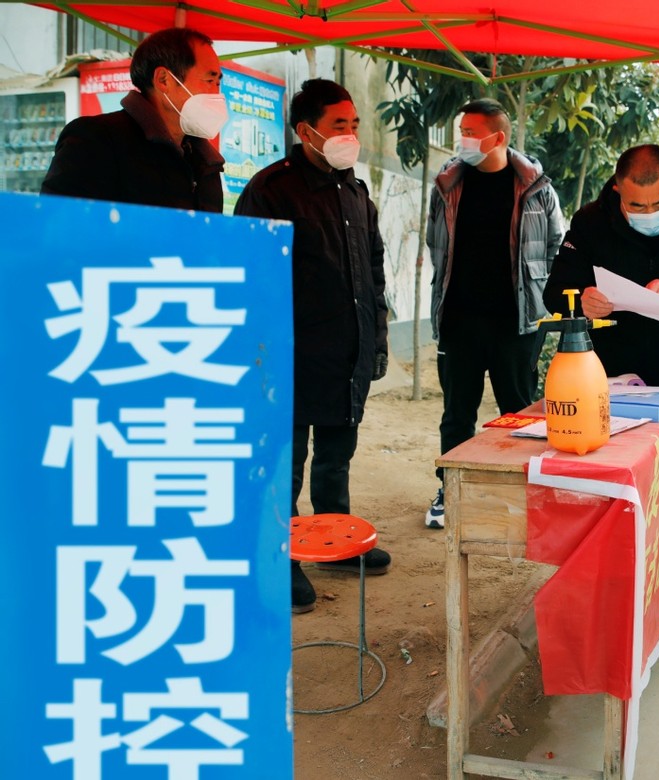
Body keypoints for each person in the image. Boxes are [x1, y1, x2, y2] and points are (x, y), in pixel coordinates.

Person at [234, 79, 391, 614]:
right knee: (287, 463)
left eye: (354, 124)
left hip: (348, 350)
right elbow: (248, 275)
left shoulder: (356, 191)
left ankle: (334, 542)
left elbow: (373, 269)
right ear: (306, 132)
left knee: (336, 458)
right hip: (292, 355)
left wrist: (378, 338)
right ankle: (281, 560)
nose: (350, 135)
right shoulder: (271, 189)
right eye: (338, 126)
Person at [424, 98, 565, 530]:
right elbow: (436, 245)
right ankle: (452, 490)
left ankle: (522, 492)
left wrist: (539, 298)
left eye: (470, 130)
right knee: (457, 415)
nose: (462, 138)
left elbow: (556, 245)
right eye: (461, 129)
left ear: (497, 137)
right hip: (459, 322)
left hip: (517, 323)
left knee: (519, 413)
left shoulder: (537, 188)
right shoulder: (447, 184)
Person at [542, 144, 659, 389]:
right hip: (605, 373)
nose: (651, 213)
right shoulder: (590, 223)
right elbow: (554, 292)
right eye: (637, 206)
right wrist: (582, 302)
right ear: (617, 190)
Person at [42, 26, 225, 212]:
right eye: (209, 81)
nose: (216, 94)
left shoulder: (207, 164)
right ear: (164, 80)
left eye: (218, 83)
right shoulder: (96, 140)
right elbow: (60, 224)